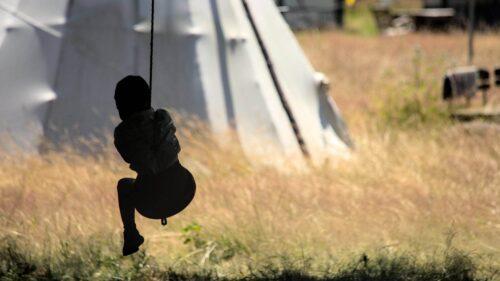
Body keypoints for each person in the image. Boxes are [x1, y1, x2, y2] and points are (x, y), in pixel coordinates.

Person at [114, 75, 196, 256]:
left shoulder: (121, 133)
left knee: (124, 185)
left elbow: (127, 157)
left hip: (149, 199)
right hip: (182, 189)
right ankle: (131, 234)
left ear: (123, 106)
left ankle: (131, 232)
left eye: (119, 104)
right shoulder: (162, 116)